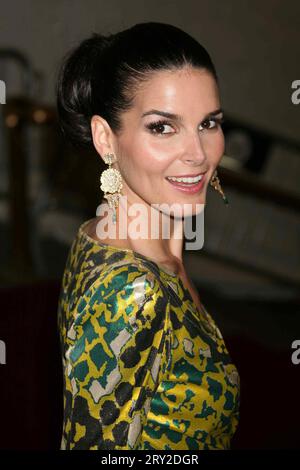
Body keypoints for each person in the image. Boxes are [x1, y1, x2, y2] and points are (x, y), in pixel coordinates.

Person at [56, 21, 240, 451]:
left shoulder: (106, 234)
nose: (198, 154)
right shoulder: (132, 290)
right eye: (163, 127)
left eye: (209, 124)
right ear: (106, 138)